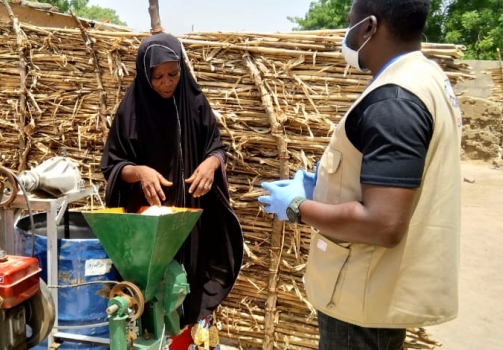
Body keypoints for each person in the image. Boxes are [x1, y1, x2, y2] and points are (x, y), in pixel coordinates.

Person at [258, 0, 462, 349]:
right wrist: (323, 186)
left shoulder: (394, 100)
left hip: (361, 299)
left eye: (349, 23)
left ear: (369, 27)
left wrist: (296, 207)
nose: (346, 33)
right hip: (378, 288)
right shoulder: (427, 78)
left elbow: (383, 223)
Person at [100, 33, 244, 350]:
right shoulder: (131, 111)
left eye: (173, 74)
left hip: (191, 222)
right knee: (150, 297)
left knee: (189, 290)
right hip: (149, 225)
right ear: (145, 75)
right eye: (158, 77)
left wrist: (211, 164)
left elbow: (216, 147)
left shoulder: (194, 102)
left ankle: (185, 342)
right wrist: (139, 172)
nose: (167, 83)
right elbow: (112, 165)